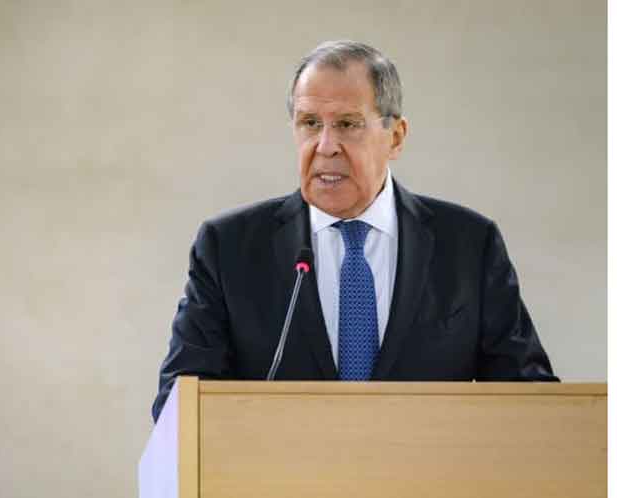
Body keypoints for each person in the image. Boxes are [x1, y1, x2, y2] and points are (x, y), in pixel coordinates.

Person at [151, 40, 557, 422]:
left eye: (347, 124)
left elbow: (531, 402)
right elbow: (179, 405)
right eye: (310, 123)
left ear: (395, 137)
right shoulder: (229, 248)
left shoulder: (469, 245)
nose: (326, 145)